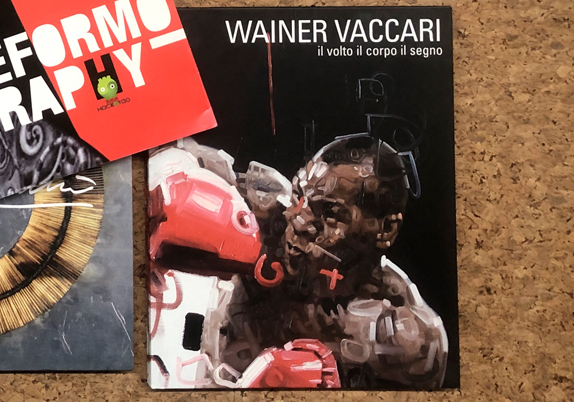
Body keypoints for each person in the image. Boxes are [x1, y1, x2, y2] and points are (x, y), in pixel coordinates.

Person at [148, 135, 448, 389]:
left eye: (330, 213)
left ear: (386, 229)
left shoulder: (407, 339)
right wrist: (167, 186)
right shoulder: (270, 211)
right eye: (299, 196)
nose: (299, 220)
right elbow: (181, 155)